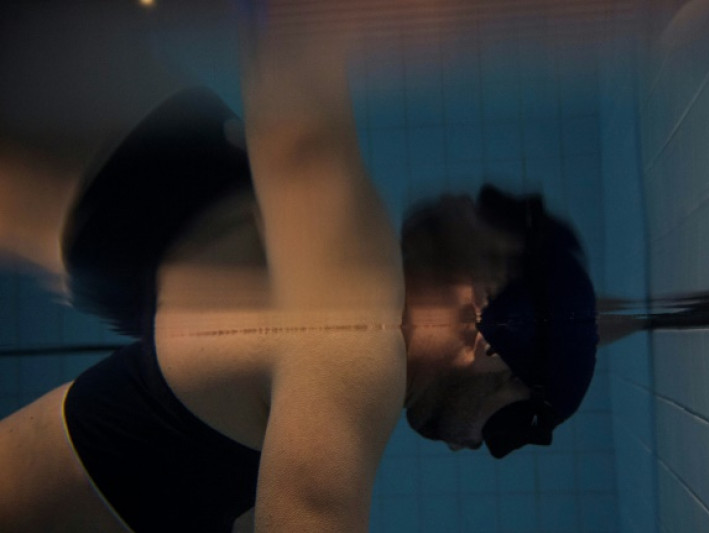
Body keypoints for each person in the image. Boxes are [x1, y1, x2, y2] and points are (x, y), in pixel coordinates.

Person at [0, 3, 599, 532]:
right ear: (488, 336)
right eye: (507, 427)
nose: (474, 445)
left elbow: (297, 113)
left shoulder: (341, 329)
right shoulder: (357, 342)